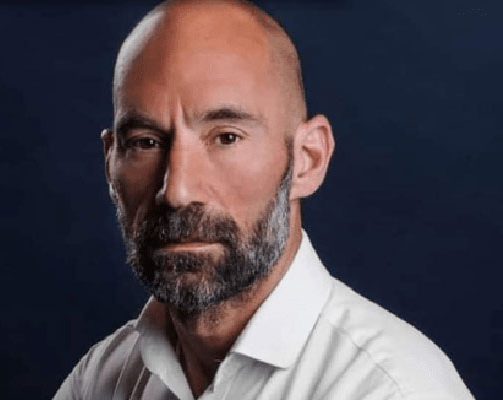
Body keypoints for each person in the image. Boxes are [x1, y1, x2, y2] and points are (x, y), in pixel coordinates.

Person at [54, 1, 474, 399]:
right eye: (146, 142)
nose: (177, 191)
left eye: (226, 138)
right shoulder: (104, 377)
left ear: (307, 160)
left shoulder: (390, 390)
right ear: (110, 164)